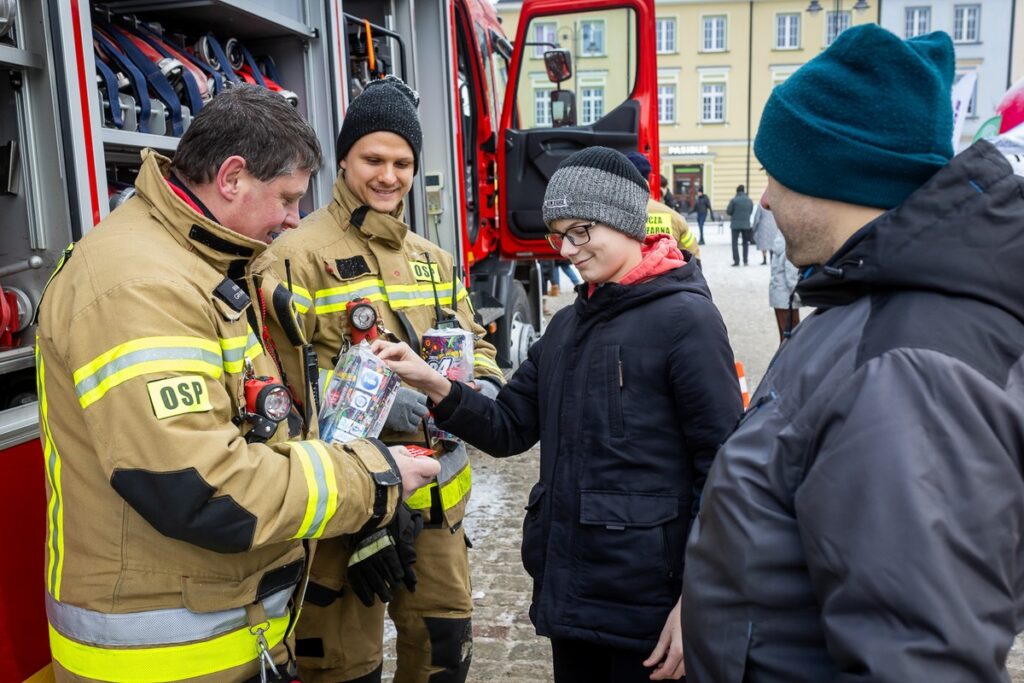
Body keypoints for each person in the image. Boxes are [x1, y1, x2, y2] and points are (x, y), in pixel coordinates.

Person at [34, 84, 439, 683]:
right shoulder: (138, 285)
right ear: (231, 177)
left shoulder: (200, 260)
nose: (294, 219)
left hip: (217, 627)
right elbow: (200, 485)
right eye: (286, 198)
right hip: (165, 653)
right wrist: (373, 475)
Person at [683, 25, 1024, 681]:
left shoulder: (906, 367)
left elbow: (919, 659)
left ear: (837, 175)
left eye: (777, 173)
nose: (765, 197)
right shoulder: (864, 310)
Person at [374, 147, 743, 683]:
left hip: (652, 609)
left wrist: (699, 599)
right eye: (558, 235)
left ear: (623, 221)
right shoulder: (569, 326)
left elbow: (724, 470)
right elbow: (507, 427)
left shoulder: (687, 320)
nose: (567, 249)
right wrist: (431, 381)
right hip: (573, 596)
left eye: (581, 231)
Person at [267, 76, 505, 683]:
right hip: (348, 515)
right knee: (344, 667)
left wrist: (483, 389)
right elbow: (281, 388)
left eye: (403, 162)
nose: (389, 176)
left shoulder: (434, 258)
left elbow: (474, 342)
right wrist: (389, 416)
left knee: (443, 655)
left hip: (435, 508)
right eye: (373, 159)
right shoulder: (293, 255)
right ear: (343, 158)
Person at [626, 151, 701, 262]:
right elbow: (694, 257)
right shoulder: (675, 218)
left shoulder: (605, 216)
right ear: (648, 181)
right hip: (667, 277)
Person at [754, 205, 801, 342]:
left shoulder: (780, 241)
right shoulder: (788, 243)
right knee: (793, 336)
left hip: (778, 296)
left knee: (784, 335)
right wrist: (798, 294)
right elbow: (791, 273)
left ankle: (783, 361)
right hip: (787, 298)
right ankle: (789, 362)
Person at [726, 184, 753, 266]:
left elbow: (728, 211)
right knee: (745, 243)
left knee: (735, 243)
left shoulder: (734, 200)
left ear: (737, 191)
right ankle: (745, 260)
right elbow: (750, 211)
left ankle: (736, 261)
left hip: (735, 225)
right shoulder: (749, 200)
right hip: (746, 225)